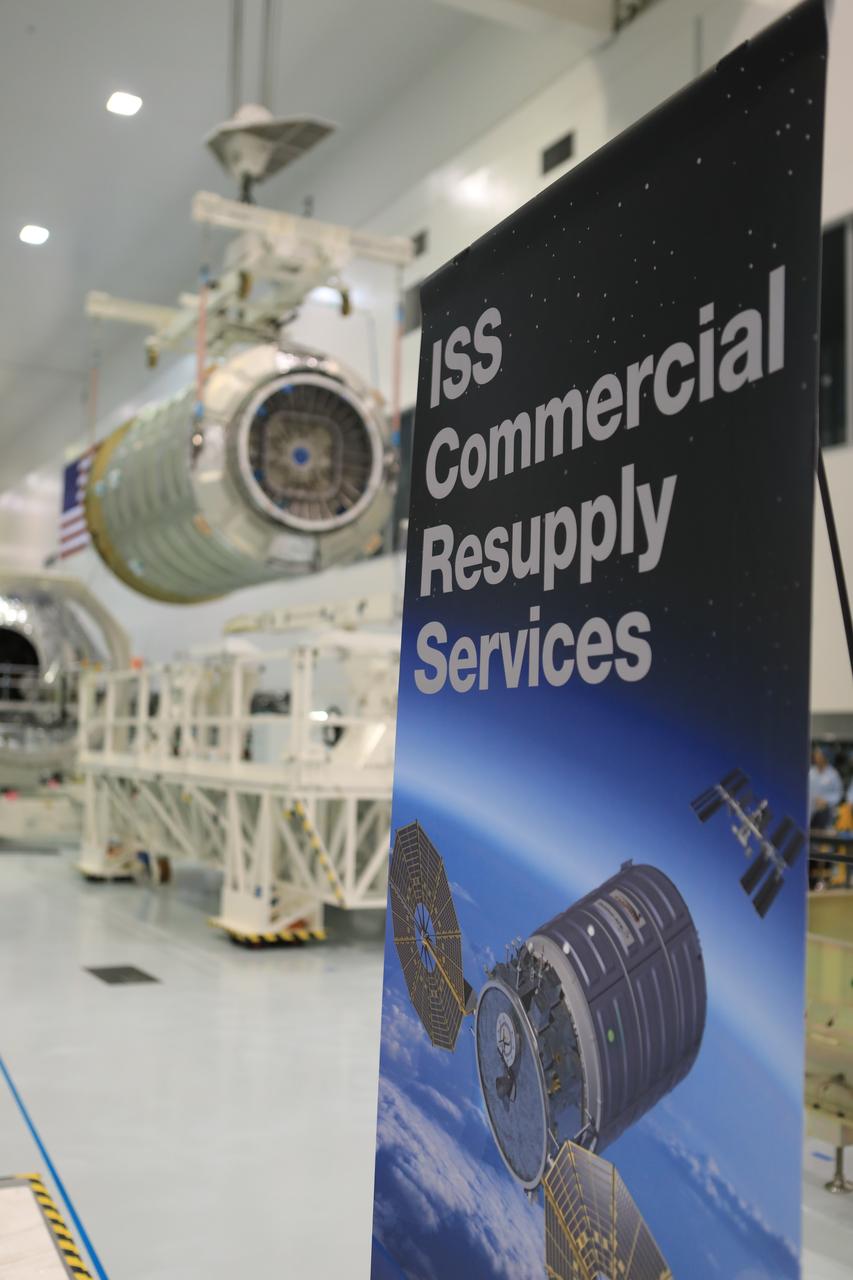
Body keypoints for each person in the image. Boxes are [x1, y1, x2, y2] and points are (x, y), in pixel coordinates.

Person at [808, 745, 843, 828]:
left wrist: (826, 801)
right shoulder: (810, 772)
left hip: (825, 811)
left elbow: (838, 794)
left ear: (825, 757)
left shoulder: (833, 774)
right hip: (810, 809)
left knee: (821, 834)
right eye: (815, 756)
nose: (817, 758)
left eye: (819, 755)